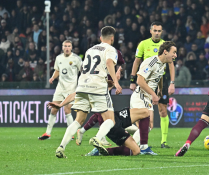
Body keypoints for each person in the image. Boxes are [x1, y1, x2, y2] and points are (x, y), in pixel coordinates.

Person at [55, 26, 122, 158]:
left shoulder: (90, 50)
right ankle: (98, 138)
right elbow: (109, 62)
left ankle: (61, 147)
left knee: (78, 120)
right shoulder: (110, 49)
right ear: (112, 38)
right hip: (97, 86)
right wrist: (116, 82)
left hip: (82, 85)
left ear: (100, 38)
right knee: (110, 120)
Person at [47, 81, 147, 157]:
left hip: (117, 117)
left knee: (145, 113)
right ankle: (100, 146)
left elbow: (75, 94)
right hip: (111, 124)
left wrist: (60, 104)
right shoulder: (98, 84)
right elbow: (95, 115)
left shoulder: (95, 83)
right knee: (135, 150)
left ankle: (62, 146)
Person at [129, 22, 175, 148]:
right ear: (150, 31)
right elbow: (137, 61)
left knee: (160, 112)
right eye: (155, 30)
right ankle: (132, 144)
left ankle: (162, 142)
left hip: (157, 82)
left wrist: (170, 83)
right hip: (144, 83)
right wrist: (132, 81)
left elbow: (163, 70)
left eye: (159, 31)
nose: (157, 33)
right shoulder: (144, 45)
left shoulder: (166, 46)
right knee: (144, 122)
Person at [38, 40, 82, 140]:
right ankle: (47, 133)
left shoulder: (76, 59)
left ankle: (71, 134)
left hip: (71, 88)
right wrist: (53, 78)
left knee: (67, 110)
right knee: (54, 109)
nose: (67, 48)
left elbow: (83, 71)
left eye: (69, 46)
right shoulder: (58, 58)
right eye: (65, 46)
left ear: (71, 48)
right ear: (62, 47)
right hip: (60, 88)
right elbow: (57, 70)